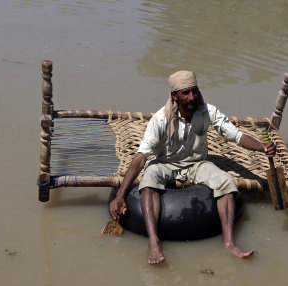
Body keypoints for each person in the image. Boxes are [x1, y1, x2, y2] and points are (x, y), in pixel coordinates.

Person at [109, 70, 276, 264]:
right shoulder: (160, 119)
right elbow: (141, 157)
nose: (192, 97)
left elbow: (235, 135)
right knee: (149, 179)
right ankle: (154, 244)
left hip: (197, 164)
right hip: (166, 163)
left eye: (194, 91)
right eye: (185, 93)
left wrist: (262, 147)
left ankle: (229, 244)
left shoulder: (207, 111)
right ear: (174, 96)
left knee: (226, 182)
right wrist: (121, 195)